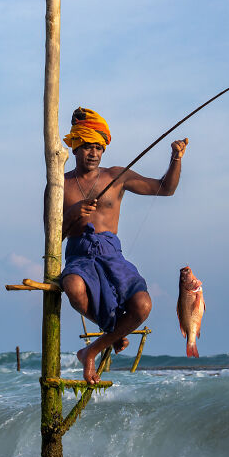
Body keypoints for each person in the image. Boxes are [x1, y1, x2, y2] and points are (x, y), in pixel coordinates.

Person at [60, 107, 187, 384]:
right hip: (79, 255)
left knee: (142, 305)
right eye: (87, 147)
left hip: (111, 253)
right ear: (75, 148)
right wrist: (72, 214)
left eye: (98, 147)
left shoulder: (117, 176)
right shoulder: (61, 185)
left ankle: (91, 351)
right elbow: (52, 236)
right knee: (73, 287)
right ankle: (113, 331)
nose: (93, 153)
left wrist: (175, 158)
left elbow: (166, 188)